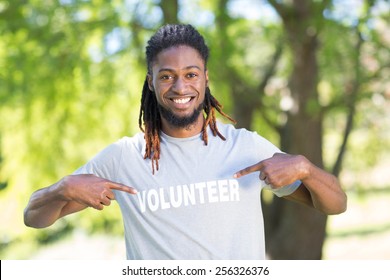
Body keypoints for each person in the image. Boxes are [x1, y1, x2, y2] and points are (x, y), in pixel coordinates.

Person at [24, 24, 347, 260]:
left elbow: (335, 204)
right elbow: (34, 218)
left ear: (205, 79)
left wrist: (306, 169)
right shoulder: (123, 158)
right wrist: (62, 188)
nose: (180, 87)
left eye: (191, 74)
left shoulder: (245, 148)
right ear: (150, 82)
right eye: (167, 76)